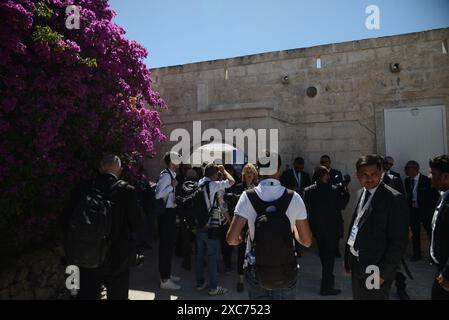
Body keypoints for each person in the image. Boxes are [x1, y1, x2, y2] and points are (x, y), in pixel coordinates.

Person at [227, 151, 312, 300]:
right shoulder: (294, 197)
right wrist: (291, 231)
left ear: (258, 170)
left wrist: (243, 238)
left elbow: (231, 239)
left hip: (257, 269)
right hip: (286, 270)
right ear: (278, 170)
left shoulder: (247, 196)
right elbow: (306, 241)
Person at [72, 155, 144, 300]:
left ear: (100, 168)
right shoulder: (127, 191)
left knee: (87, 294)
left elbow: (68, 218)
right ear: (120, 170)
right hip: (117, 257)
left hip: (88, 254)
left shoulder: (84, 187)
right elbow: (138, 223)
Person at [344, 154, 409, 300]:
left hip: (376, 267)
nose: (369, 178)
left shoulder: (393, 199)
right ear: (357, 176)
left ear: (380, 172)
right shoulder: (361, 193)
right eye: (364, 175)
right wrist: (348, 260)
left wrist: (383, 273)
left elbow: (398, 241)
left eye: (374, 174)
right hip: (357, 264)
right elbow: (355, 226)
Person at [304, 166, 349, 296]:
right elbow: (342, 205)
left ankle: (327, 277)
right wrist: (345, 192)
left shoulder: (308, 190)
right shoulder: (334, 190)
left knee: (324, 255)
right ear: (325, 175)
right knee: (329, 258)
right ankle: (326, 287)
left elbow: (306, 210)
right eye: (328, 174)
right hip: (332, 229)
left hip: (317, 229)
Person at [196, 163, 235, 296]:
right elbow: (232, 181)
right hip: (211, 226)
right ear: (214, 174)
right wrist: (224, 171)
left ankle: (200, 283)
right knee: (212, 257)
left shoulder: (199, 183)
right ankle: (214, 287)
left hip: (199, 225)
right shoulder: (213, 185)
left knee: (200, 256)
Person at [224, 163, 258, 293]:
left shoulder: (258, 188)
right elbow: (229, 200)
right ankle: (241, 279)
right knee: (241, 252)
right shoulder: (238, 187)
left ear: (254, 174)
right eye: (247, 172)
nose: (249, 174)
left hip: (255, 225)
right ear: (243, 174)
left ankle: (254, 275)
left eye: (251, 172)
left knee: (255, 251)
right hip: (242, 225)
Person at [155, 151, 182, 290]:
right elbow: (158, 194)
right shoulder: (167, 176)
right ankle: (164, 280)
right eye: (177, 159)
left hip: (169, 213)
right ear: (172, 162)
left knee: (168, 245)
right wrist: (172, 186)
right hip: (166, 214)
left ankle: (166, 275)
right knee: (166, 246)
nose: (180, 161)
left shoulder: (170, 174)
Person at [404, 160, 440, 262]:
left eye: (407, 168)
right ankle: (416, 254)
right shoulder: (407, 181)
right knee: (415, 234)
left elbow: (435, 196)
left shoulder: (427, 180)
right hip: (414, 212)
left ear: (415, 169)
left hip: (426, 212)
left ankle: (433, 256)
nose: (405, 171)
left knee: (430, 233)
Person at [429, 155, 449, 300]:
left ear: (445, 177)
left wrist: (447, 274)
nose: (430, 176)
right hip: (441, 268)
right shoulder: (442, 196)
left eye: (433, 173)